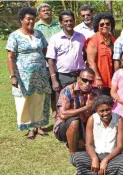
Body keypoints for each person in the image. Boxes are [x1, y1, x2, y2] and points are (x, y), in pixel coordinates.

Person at [6, 7, 51, 139]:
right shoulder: (14, 36)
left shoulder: (39, 34)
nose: (31, 21)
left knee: (39, 98)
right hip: (24, 75)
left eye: (33, 18)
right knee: (26, 100)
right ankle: (30, 128)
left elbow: (45, 50)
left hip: (41, 74)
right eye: (28, 19)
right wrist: (12, 76)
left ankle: (39, 126)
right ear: (21, 20)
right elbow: (10, 57)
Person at [71, 95, 123, 175]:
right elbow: (89, 144)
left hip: (113, 157)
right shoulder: (92, 119)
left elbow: (119, 147)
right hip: (95, 154)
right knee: (77, 157)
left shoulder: (119, 120)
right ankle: (101, 170)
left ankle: (95, 171)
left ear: (112, 107)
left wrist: (105, 160)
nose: (105, 113)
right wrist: (94, 158)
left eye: (108, 110)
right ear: (96, 110)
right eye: (102, 111)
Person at [53, 68, 100, 155]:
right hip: (65, 125)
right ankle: (73, 154)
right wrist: (86, 107)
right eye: (84, 80)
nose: (87, 84)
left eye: (90, 81)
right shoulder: (67, 90)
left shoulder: (95, 93)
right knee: (74, 121)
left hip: (86, 125)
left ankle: (81, 140)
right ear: (78, 79)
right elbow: (63, 115)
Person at [47, 10, 86, 101]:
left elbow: (85, 54)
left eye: (71, 20)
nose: (69, 23)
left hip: (79, 76)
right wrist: (54, 80)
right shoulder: (55, 39)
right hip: (62, 77)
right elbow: (50, 60)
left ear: (74, 22)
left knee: (79, 101)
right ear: (61, 23)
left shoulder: (81, 37)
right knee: (63, 103)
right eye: (66, 21)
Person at [86, 13, 116, 95]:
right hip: (100, 80)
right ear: (97, 26)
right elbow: (91, 61)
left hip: (112, 78)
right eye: (102, 24)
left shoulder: (114, 39)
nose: (105, 26)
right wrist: (97, 77)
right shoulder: (93, 40)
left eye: (107, 23)